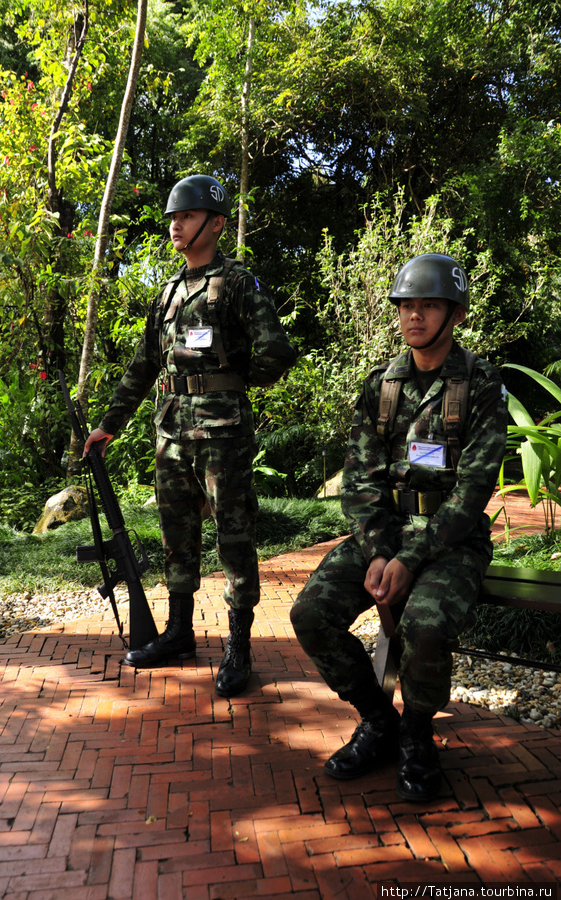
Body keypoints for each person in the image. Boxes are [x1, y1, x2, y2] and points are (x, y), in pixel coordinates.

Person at [290, 252, 507, 801]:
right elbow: (358, 479)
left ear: (454, 313)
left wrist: (412, 559)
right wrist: (383, 549)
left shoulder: (480, 385)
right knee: (311, 612)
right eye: (406, 305)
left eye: (428, 305)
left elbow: (473, 490)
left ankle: (416, 733)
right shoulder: (381, 385)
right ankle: (377, 720)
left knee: (424, 627)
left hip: (451, 540)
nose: (414, 316)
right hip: (383, 532)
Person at [84, 174, 297, 697]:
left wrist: (232, 380)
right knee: (177, 536)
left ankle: (238, 645)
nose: (176, 226)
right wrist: (110, 424)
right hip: (171, 433)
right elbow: (143, 364)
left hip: (223, 436)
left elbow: (277, 352)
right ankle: (180, 633)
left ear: (215, 223)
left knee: (234, 536)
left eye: (186, 216)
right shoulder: (170, 291)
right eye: (173, 218)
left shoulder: (237, 284)